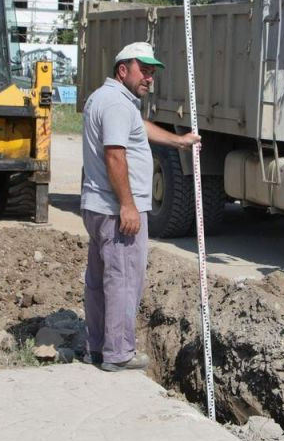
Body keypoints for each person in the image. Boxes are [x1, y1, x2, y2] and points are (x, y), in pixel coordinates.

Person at [80, 41, 198, 372]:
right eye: (143, 71)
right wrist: (128, 206)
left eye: (152, 72)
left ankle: (98, 347)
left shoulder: (106, 99)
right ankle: (118, 353)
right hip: (117, 210)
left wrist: (178, 140)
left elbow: (137, 129)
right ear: (123, 69)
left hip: (98, 206)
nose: (149, 78)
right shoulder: (118, 105)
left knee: (100, 278)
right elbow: (115, 154)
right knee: (123, 279)